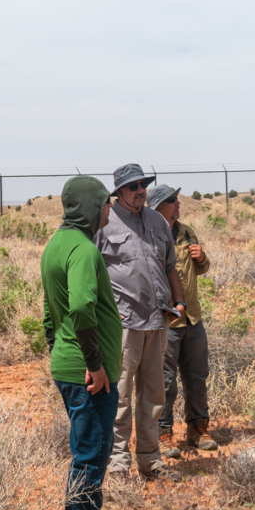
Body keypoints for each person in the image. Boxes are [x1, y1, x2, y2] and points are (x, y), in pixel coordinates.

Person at [96, 164, 186, 481]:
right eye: (132, 186)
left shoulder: (158, 221)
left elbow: (170, 266)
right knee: (120, 396)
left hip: (157, 320)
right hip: (124, 323)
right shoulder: (105, 224)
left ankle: (150, 461)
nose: (140, 191)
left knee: (153, 395)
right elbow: (93, 273)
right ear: (119, 192)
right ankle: (118, 464)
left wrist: (179, 302)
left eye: (143, 185)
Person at [40, 175, 121, 510]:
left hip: (69, 366)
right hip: (89, 375)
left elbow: (48, 313)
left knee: (86, 452)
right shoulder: (84, 250)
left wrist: (59, 350)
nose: (109, 210)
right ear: (92, 207)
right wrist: (94, 362)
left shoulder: (56, 245)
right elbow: (83, 306)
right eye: (106, 203)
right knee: (91, 456)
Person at [146, 184, 217, 456]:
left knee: (197, 376)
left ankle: (197, 429)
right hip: (166, 322)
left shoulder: (186, 231)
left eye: (177, 199)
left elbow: (199, 269)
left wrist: (202, 258)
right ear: (157, 206)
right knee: (164, 382)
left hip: (192, 319)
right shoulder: (150, 234)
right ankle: (162, 433)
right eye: (172, 200)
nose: (178, 203)